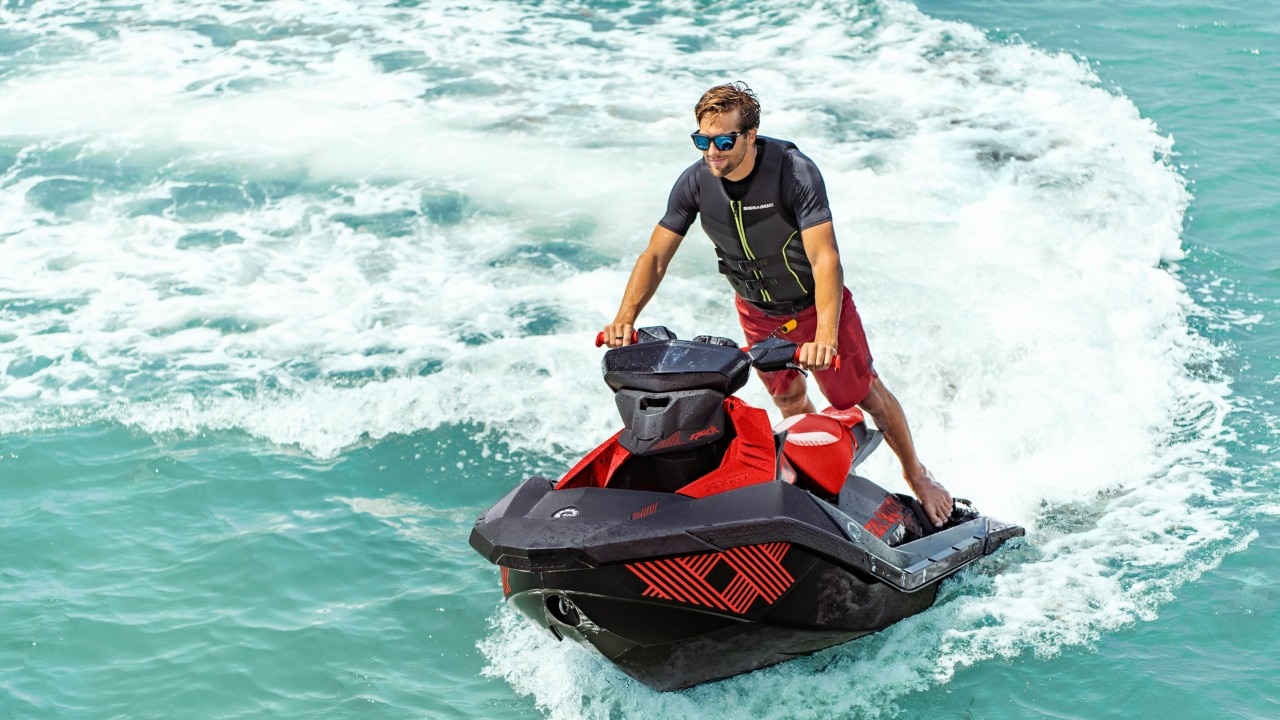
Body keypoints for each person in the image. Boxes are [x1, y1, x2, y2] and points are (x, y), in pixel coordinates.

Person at [600, 82, 954, 527]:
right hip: (757, 312)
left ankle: (918, 475)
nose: (712, 153)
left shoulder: (793, 172)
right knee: (787, 396)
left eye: (724, 141)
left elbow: (825, 258)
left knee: (861, 395)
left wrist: (825, 337)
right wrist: (624, 319)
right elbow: (655, 256)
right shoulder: (695, 182)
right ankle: (821, 479)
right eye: (702, 141)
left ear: (750, 135)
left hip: (815, 307)